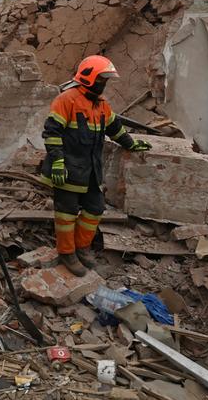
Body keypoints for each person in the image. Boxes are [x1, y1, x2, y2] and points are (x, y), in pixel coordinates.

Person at [41, 56, 150, 275]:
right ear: (89, 77)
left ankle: (82, 248)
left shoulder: (101, 104)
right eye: (101, 79)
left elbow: (114, 128)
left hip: (90, 170)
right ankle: (67, 253)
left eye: (106, 79)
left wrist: (131, 143)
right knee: (66, 213)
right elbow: (51, 132)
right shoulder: (67, 99)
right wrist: (58, 162)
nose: (104, 83)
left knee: (95, 208)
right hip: (68, 169)